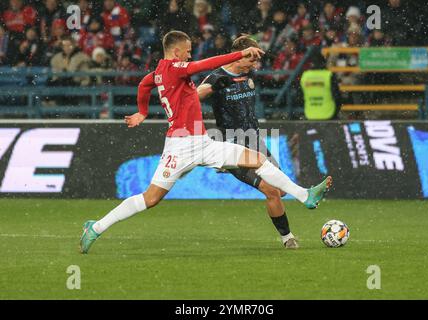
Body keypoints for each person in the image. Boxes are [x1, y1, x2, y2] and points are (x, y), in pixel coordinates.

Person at [80, 30, 332, 254]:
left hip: (203, 142)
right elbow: (203, 66)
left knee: (258, 159)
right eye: (187, 51)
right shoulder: (175, 67)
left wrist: (142, 112)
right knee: (151, 198)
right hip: (180, 145)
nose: (189, 56)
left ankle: (305, 195)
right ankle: (97, 227)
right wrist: (240, 53)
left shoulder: (159, 72)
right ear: (176, 51)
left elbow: (144, 84)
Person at [196, 35, 300, 248]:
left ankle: (227, 167)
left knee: (280, 190)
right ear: (238, 56)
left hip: (255, 140)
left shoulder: (249, 74)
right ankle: (288, 238)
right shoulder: (217, 76)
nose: (255, 64)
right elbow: (194, 96)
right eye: (251, 58)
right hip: (232, 145)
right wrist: (214, 88)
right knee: (271, 191)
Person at [300, 47, 341, 120]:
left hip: (310, 115)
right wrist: (336, 112)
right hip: (329, 114)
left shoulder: (305, 76)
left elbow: (299, 96)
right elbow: (337, 97)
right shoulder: (328, 75)